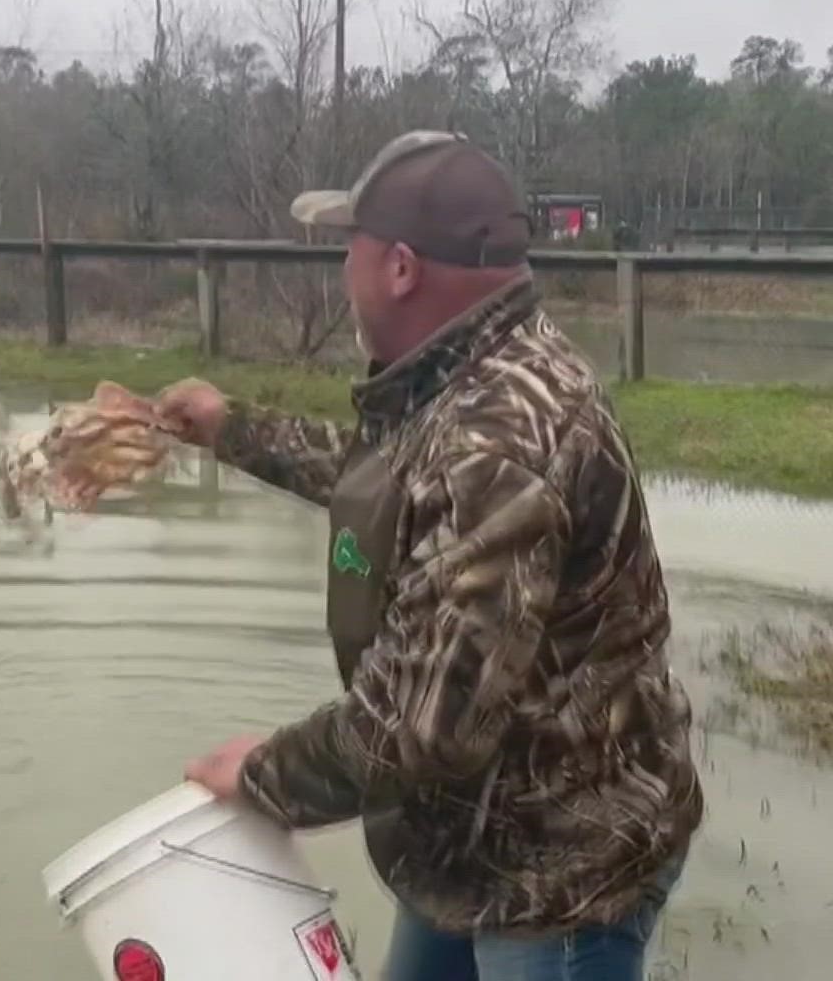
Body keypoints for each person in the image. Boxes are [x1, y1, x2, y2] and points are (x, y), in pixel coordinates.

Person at [160, 130, 703, 981]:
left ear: (401, 267)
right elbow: (397, 491)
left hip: (557, 878)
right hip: (468, 843)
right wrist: (233, 428)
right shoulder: (468, 374)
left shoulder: (501, 440)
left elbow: (423, 724)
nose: (344, 269)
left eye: (352, 245)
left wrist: (266, 773)